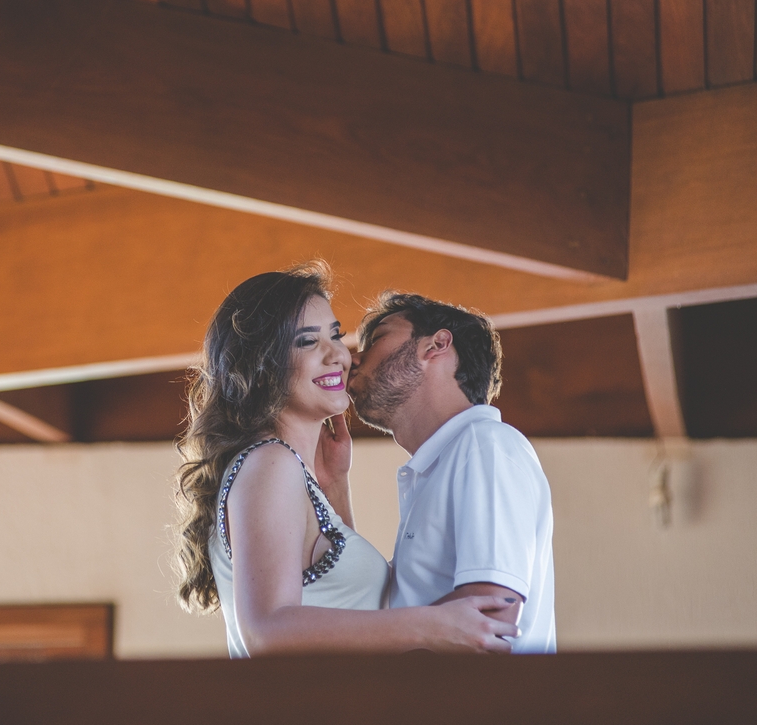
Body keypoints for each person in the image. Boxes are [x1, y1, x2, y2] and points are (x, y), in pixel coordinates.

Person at [171, 263, 519, 657]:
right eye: (307, 341)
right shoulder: (271, 463)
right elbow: (266, 631)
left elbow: (349, 608)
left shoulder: (287, 470)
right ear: (261, 365)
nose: (338, 354)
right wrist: (432, 625)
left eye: (335, 335)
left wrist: (335, 486)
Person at [341, 292, 556, 654]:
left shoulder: (485, 444)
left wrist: (366, 660)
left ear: (437, 345)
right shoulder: (441, 466)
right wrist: (334, 481)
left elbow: (492, 612)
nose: (353, 359)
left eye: (377, 339)